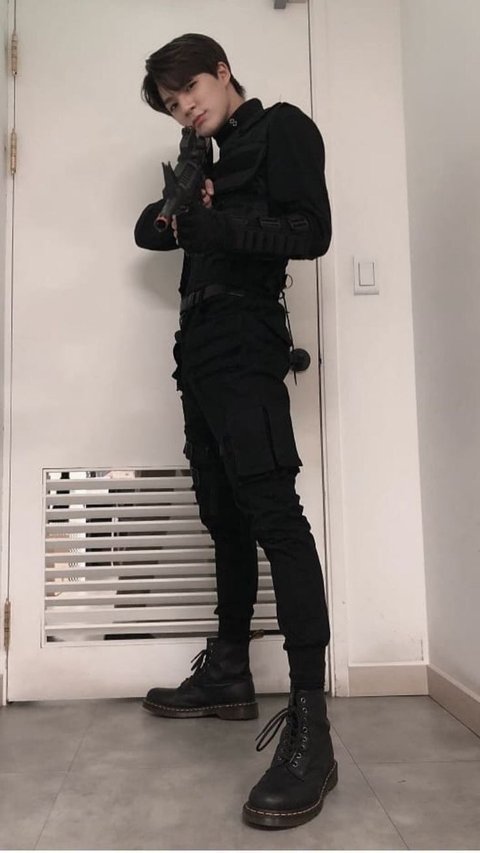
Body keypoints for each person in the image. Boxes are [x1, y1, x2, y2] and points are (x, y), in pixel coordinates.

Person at [134, 32, 337, 830]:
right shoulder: (205, 163)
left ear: (222, 71)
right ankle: (227, 672)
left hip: (249, 340)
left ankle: (312, 729)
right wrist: (186, 191)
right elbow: (150, 232)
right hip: (199, 349)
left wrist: (216, 226)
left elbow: (311, 232)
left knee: (275, 518)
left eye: (190, 90)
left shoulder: (282, 128)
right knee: (223, 515)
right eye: (173, 105)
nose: (186, 107)